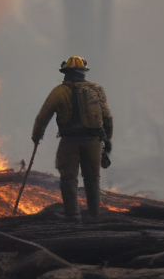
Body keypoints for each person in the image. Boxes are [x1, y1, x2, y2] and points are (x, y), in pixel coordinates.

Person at [31, 56, 113, 222]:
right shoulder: (97, 89)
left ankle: (73, 216)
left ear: (66, 73)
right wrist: (107, 142)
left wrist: (36, 136)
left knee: (69, 178)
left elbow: (43, 116)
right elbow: (107, 117)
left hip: (70, 141)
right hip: (93, 142)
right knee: (92, 178)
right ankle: (94, 215)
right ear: (83, 72)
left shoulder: (59, 91)